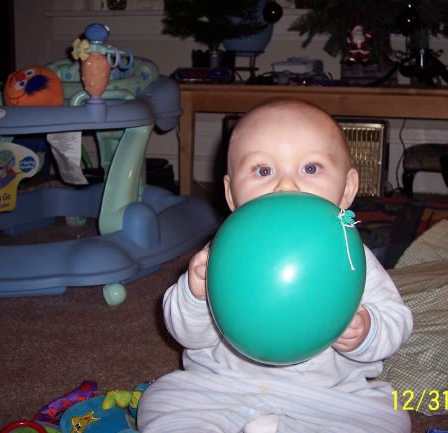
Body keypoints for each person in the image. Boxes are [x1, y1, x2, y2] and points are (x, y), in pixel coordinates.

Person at [137, 98, 413, 433]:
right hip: (223, 386)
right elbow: (186, 334)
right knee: (162, 399)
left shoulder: (350, 255)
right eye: (263, 171)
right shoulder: (221, 254)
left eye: (310, 168)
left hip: (328, 396)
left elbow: (397, 319)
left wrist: (367, 331)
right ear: (231, 194)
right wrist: (195, 296)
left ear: (347, 189)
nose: (286, 186)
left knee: (390, 417)